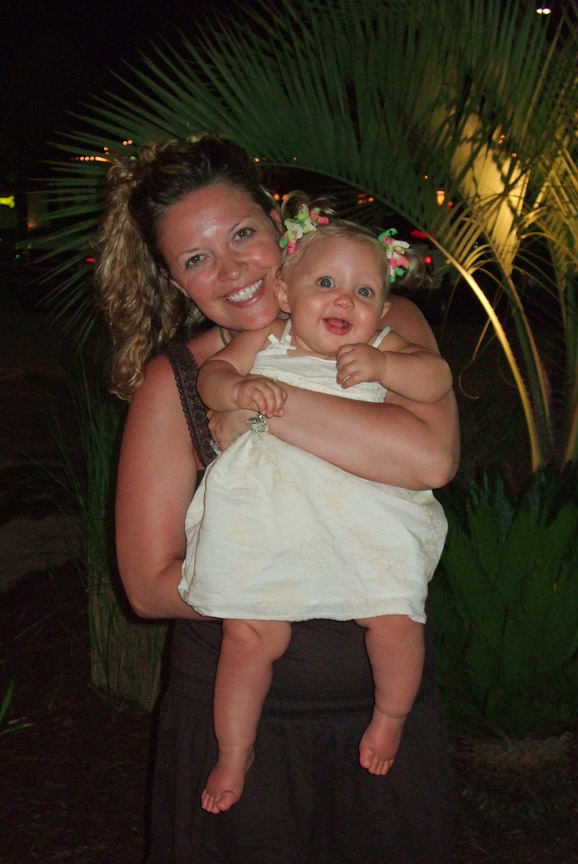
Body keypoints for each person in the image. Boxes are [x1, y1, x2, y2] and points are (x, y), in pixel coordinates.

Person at [96, 131, 460, 863]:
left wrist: (267, 412)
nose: (231, 270)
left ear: (278, 226)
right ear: (176, 282)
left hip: (379, 718)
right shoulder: (180, 381)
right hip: (241, 727)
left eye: (241, 235)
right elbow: (147, 585)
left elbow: (428, 458)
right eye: (196, 259)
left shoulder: (385, 328)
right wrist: (292, 580)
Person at [179, 196, 452, 814]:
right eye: (326, 283)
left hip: (365, 516)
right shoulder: (266, 339)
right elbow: (210, 378)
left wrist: (386, 364)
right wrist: (239, 388)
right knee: (250, 635)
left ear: (383, 308)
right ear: (284, 292)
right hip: (272, 518)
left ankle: (391, 715)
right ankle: (235, 749)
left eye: (364, 292)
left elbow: (435, 380)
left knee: (395, 617)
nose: (344, 301)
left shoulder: (384, 343)